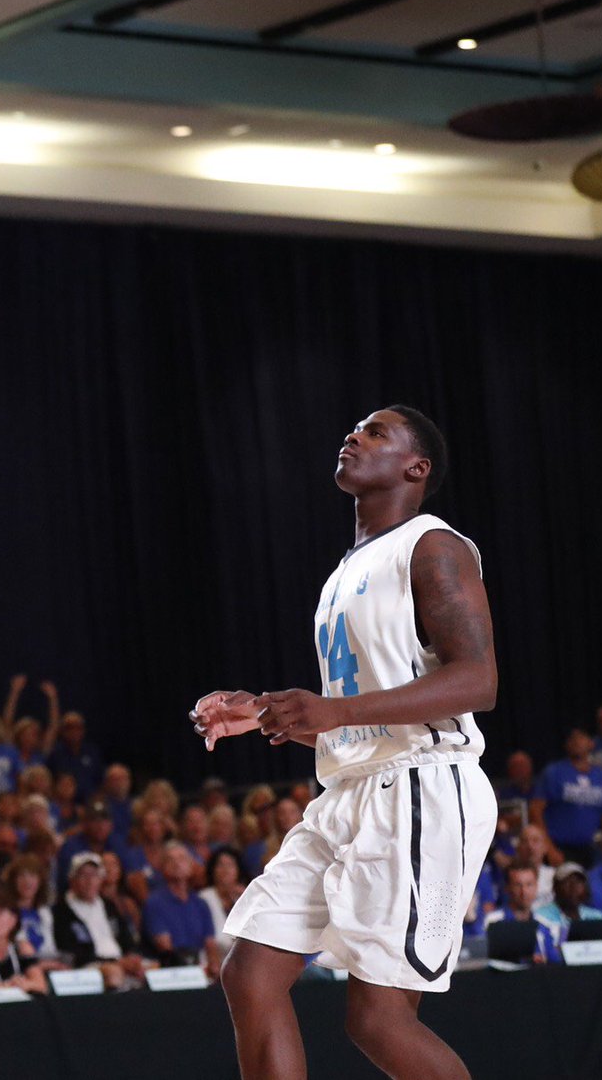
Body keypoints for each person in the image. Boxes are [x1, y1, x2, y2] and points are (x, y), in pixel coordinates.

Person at [193, 406, 497, 1080]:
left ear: (416, 468)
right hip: (353, 786)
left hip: (423, 785)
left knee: (377, 1019)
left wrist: (331, 710)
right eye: (355, 429)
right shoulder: (347, 571)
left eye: (375, 432)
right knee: (250, 971)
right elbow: (360, 706)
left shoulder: (432, 545)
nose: (353, 436)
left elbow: (477, 679)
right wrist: (267, 710)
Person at [51, 852, 151, 988]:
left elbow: (126, 939)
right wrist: (116, 962)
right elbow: (70, 952)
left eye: (95, 875)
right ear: (72, 879)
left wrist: (133, 959)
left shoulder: (108, 905)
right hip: (87, 966)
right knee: (113, 972)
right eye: (84, 875)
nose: (90, 881)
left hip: (119, 960)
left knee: (154, 970)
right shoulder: (61, 911)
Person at [534, 730, 602, 866]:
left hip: (591, 849)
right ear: (566, 745)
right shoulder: (554, 772)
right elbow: (535, 811)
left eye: (581, 738)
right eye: (572, 739)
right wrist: (549, 849)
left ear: (591, 743)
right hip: (558, 848)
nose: (576, 742)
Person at [143, 843, 214, 967]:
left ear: (191, 865)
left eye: (182, 859)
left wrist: (214, 967)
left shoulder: (201, 903)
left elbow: (210, 945)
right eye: (170, 860)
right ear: (162, 867)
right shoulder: (155, 903)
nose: (176, 864)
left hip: (200, 967)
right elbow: (165, 947)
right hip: (171, 969)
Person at [481, 864, 562, 966]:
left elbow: (555, 962)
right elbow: (482, 958)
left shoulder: (545, 925)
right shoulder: (491, 921)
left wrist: (544, 960)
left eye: (529, 884)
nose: (524, 891)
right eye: (517, 885)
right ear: (507, 888)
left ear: (536, 887)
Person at [199, 846, 247, 945]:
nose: (226, 870)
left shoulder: (243, 896)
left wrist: (247, 897)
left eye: (230, 865)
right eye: (220, 865)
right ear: (213, 870)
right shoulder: (204, 897)